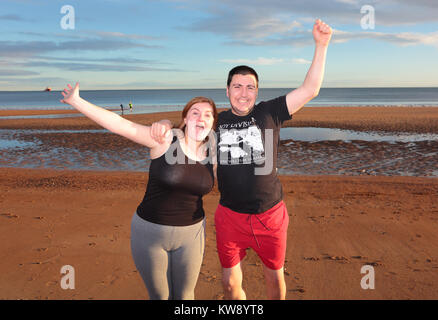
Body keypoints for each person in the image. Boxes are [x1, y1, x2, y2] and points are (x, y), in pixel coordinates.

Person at [151, 19, 332, 300]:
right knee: (229, 285)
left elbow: (310, 90)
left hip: (270, 215)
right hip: (230, 217)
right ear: (227, 91)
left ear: (257, 92)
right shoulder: (216, 121)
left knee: (275, 281)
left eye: (250, 87)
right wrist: (162, 121)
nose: (244, 93)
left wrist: (321, 46)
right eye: (237, 87)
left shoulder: (269, 112)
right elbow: (184, 128)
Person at [60, 84, 218, 300]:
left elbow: (243, 175)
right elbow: (120, 125)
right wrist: (76, 101)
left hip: (192, 235)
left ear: (212, 123)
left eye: (208, 115)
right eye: (195, 112)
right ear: (184, 119)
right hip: (150, 233)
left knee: (185, 296)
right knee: (160, 296)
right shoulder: (164, 140)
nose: (201, 118)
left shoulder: (214, 156)